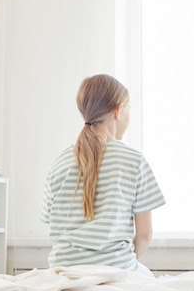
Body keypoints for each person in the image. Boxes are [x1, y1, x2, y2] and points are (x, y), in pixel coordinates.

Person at [41, 74, 166, 276]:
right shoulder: (134, 160)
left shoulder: (59, 162)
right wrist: (121, 262)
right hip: (115, 268)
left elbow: (51, 222)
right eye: (129, 111)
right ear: (118, 110)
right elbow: (144, 234)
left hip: (63, 272)